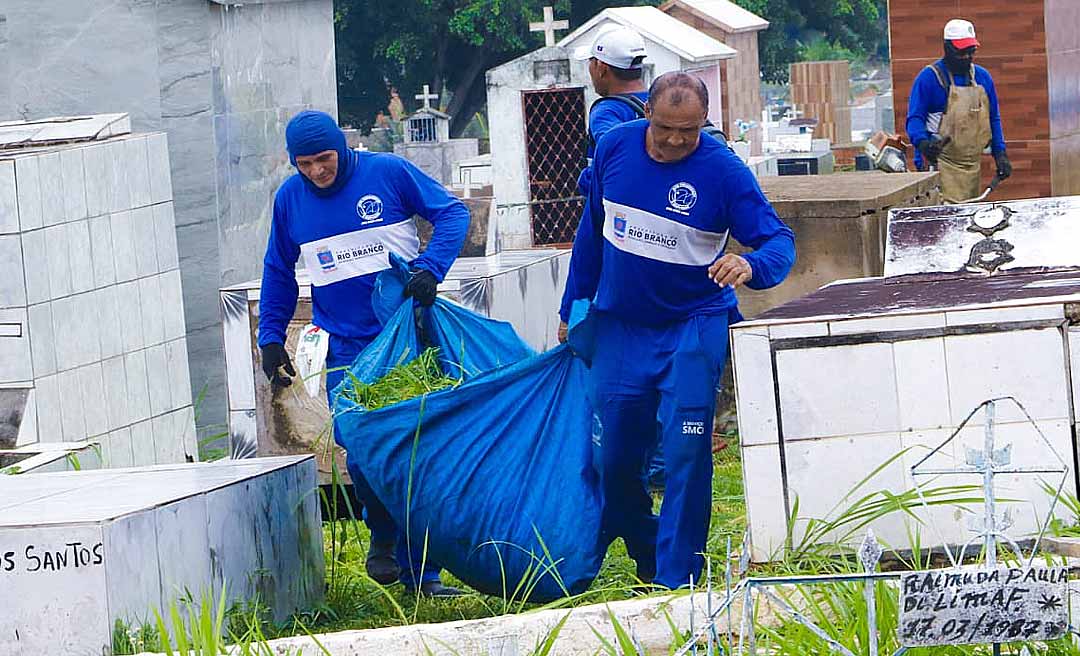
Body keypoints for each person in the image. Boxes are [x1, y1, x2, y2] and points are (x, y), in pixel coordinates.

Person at [558, 72, 795, 588]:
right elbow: (590, 234)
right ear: (647, 114)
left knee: (686, 453)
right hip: (621, 325)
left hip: (694, 324)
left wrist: (750, 266)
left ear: (703, 126)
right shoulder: (614, 149)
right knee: (611, 459)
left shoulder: (724, 172)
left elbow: (780, 241)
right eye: (665, 127)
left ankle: (678, 579)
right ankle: (647, 547)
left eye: (688, 131)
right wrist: (573, 305)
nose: (674, 141)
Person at [258, 110, 469, 597]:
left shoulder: (388, 173)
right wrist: (271, 337)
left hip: (407, 338)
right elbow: (278, 269)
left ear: (343, 149)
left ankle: (424, 575)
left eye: (324, 159)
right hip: (346, 347)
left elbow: (453, 213)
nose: (317, 172)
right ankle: (383, 532)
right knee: (361, 449)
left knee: (417, 451)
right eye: (304, 164)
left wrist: (431, 269)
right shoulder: (290, 200)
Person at [906, 19, 1011, 203]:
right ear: (947, 48)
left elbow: (993, 118)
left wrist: (1000, 154)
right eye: (961, 52)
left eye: (971, 52)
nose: (966, 57)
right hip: (940, 166)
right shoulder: (930, 78)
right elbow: (915, 119)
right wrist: (923, 144)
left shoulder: (982, 78)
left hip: (972, 168)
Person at [573, 26, 650, 194]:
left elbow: (615, 155)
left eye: (590, 61)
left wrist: (586, 179)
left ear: (602, 68)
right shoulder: (660, 102)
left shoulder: (606, 111)